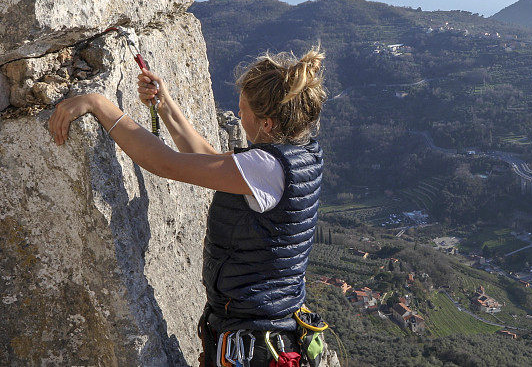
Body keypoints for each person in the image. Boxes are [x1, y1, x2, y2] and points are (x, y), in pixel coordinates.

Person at [48, 47, 327, 366]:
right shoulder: (298, 155)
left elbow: (166, 164)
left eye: (243, 110)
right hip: (267, 329)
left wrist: (99, 105)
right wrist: (164, 105)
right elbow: (207, 158)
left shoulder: (266, 167)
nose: (239, 115)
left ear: (266, 123)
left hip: (253, 340)